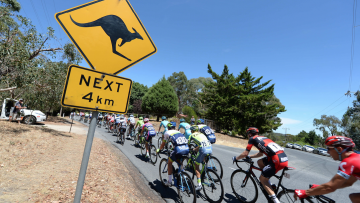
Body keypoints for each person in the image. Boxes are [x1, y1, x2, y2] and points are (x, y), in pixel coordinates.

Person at [294, 136, 360, 203]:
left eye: (329, 149)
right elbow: (348, 183)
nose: (328, 152)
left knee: (354, 197)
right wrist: (319, 188)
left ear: (339, 149)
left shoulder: (348, 162)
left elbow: (330, 187)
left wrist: (305, 192)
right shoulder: (356, 158)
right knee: (354, 197)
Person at [232, 127, 288, 203]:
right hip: (283, 158)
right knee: (260, 162)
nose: (248, 135)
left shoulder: (252, 139)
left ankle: (276, 201)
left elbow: (245, 153)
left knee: (262, 179)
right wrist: (250, 156)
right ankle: (270, 184)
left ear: (250, 134)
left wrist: (236, 158)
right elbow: (260, 154)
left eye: (248, 134)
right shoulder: (263, 138)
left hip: (276, 160)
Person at [156, 122, 189, 186]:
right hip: (186, 148)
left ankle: (169, 181)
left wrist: (159, 149)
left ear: (168, 128)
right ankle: (184, 176)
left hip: (178, 149)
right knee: (179, 161)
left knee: (169, 162)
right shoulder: (179, 132)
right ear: (175, 127)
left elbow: (163, 144)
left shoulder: (167, 132)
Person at [187, 125, 212, 190]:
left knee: (196, 166)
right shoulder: (201, 134)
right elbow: (201, 143)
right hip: (210, 147)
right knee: (202, 157)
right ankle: (204, 170)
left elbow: (188, 144)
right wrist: (195, 149)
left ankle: (199, 185)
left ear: (192, 130)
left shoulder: (191, 135)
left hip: (203, 149)